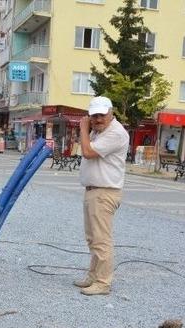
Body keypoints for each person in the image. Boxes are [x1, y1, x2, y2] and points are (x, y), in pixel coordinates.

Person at [73, 96, 128, 296]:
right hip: (94, 190)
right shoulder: (99, 132)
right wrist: (88, 131)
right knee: (92, 238)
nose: (97, 119)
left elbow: (87, 152)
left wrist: (83, 129)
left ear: (111, 113)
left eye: (101, 115)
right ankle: (94, 276)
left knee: (101, 239)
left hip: (104, 192)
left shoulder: (115, 133)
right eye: (94, 115)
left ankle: (103, 282)